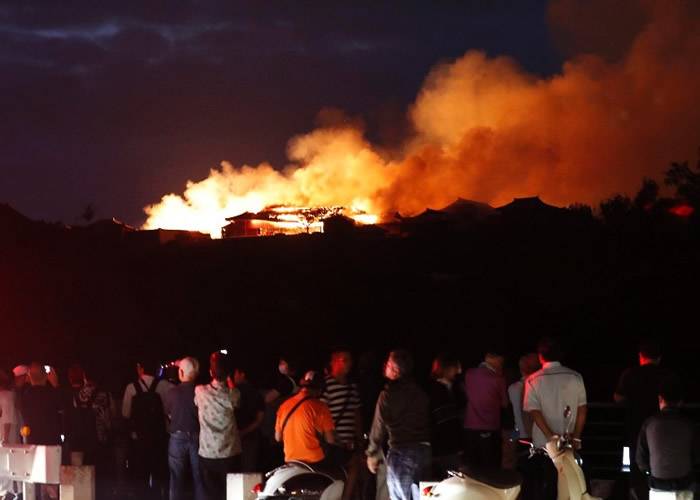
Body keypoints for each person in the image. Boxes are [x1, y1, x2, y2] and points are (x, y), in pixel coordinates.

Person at [524, 337, 587, 500]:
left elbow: (534, 411)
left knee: (545, 488)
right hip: (569, 443)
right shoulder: (575, 376)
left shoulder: (532, 380)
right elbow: (582, 409)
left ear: (540, 356)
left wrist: (550, 435)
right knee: (569, 488)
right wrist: (577, 436)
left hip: (543, 446)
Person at [366, 350, 431, 500]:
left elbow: (378, 426)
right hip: (424, 451)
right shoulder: (420, 392)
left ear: (396, 371)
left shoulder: (387, 395)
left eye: (388, 364)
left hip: (401, 453)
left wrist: (371, 453)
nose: (385, 367)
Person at [614, 339, 668, 500]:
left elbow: (618, 397)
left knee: (636, 466)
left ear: (641, 356)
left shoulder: (630, 374)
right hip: (662, 429)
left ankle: (638, 493)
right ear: (659, 357)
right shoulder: (666, 375)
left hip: (635, 427)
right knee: (660, 463)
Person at [636, 376, 699, 500]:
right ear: (681, 402)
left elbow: (640, 460)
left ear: (660, 399)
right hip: (684, 486)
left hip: (658, 486)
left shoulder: (649, 423)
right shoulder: (689, 425)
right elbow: (697, 457)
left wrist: (652, 471)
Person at [122, 360, 173, 499]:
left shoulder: (131, 388)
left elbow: (125, 413)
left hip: (139, 438)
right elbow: (170, 411)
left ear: (140, 368)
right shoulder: (165, 386)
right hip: (159, 437)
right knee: (159, 472)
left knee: (141, 474)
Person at [195, 352, 241, 500]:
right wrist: (229, 380)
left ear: (210, 372)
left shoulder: (200, 391)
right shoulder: (234, 394)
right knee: (231, 494)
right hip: (230, 454)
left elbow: (196, 403)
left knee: (210, 494)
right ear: (228, 374)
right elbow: (236, 399)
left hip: (208, 453)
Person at [322, 348, 363, 500]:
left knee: (354, 471)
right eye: (345, 360)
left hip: (349, 443)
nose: (350, 364)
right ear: (336, 362)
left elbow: (356, 415)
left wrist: (359, 439)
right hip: (333, 442)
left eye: (350, 360)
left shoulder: (352, 387)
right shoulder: (326, 385)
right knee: (350, 469)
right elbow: (322, 413)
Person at [275, 371, 336, 467]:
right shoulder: (321, 407)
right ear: (319, 390)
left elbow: (278, 438)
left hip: (291, 461)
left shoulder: (284, 406)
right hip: (315, 462)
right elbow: (330, 440)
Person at [20, 363, 63, 500]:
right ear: (46, 376)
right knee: (52, 487)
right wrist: (56, 386)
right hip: (52, 445)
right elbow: (63, 408)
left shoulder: (24, 397)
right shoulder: (52, 394)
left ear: (29, 377)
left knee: (35, 487)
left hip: (32, 446)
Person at [164, 357, 204, 500]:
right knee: (199, 477)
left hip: (177, 437)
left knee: (176, 478)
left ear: (181, 372)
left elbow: (168, 414)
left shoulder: (172, 392)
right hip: (197, 436)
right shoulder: (201, 391)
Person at [463, 348, 508, 470]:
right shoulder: (498, 379)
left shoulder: (469, 374)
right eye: (500, 362)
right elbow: (505, 403)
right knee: (489, 466)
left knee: (472, 465)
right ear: (493, 359)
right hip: (490, 427)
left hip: (470, 426)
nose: (501, 365)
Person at [428, 354, 463, 477]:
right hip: (444, 447)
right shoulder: (436, 391)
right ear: (446, 368)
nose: (459, 371)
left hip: (450, 445)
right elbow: (445, 421)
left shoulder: (452, 388)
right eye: (455, 368)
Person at [231, 363, 265, 472]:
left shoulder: (233, 393)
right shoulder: (257, 394)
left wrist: (239, 432)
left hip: (233, 437)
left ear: (242, 374)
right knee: (248, 470)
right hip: (251, 436)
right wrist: (245, 431)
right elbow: (259, 420)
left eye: (236, 374)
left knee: (234, 472)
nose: (234, 376)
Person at [0, 369, 18, 499]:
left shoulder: (5, 396)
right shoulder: (10, 395)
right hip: (7, 438)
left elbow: (7, 418)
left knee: (6, 467)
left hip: (5, 439)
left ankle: (6, 493)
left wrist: (5, 438)